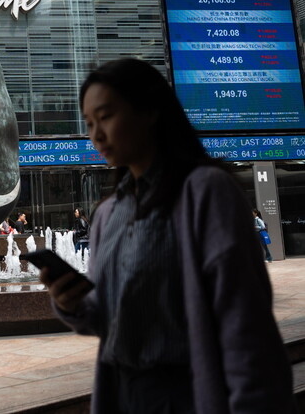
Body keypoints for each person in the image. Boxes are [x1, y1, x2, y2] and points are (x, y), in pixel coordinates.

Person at [39, 58, 295, 413]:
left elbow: (245, 326)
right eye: (89, 123)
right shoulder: (109, 213)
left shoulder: (206, 193)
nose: (96, 134)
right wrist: (73, 304)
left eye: (106, 116)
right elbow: (112, 320)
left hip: (189, 395)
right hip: (122, 394)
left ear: (149, 111)